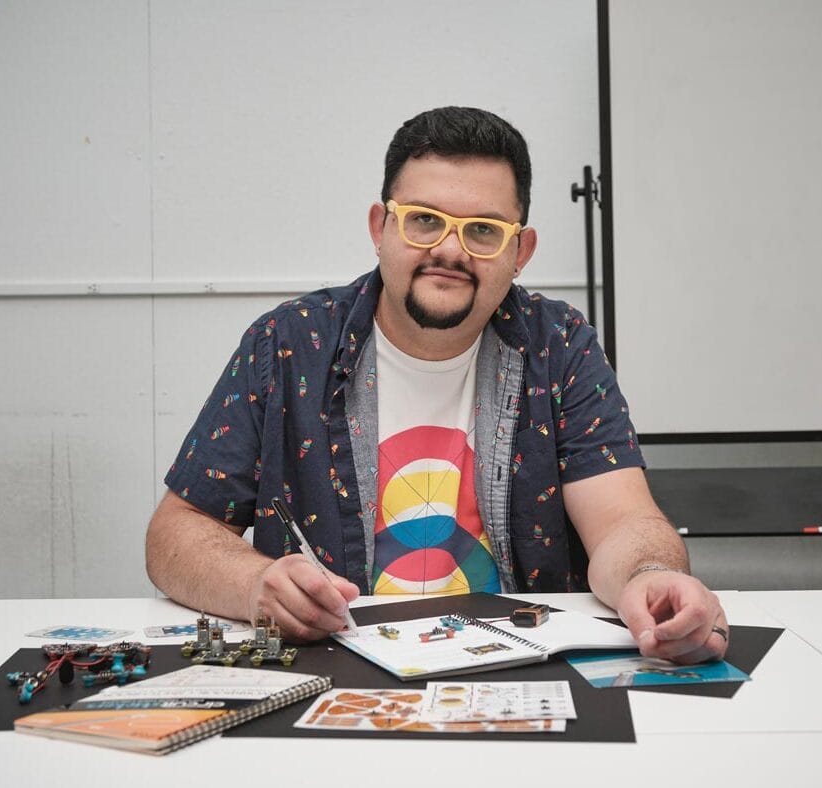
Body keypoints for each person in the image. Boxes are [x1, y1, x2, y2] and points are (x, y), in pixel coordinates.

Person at [146, 106, 728, 665]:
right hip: (334, 669)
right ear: (381, 227)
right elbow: (176, 532)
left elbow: (624, 522)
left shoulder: (560, 346)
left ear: (519, 252)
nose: (449, 250)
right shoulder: (288, 343)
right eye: (425, 220)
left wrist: (651, 578)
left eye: (483, 231)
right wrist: (254, 583)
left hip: (521, 672)